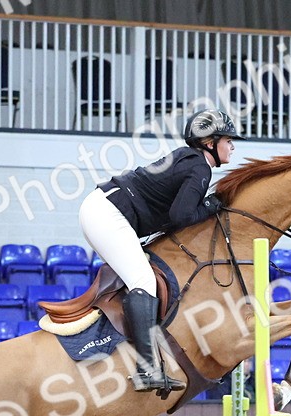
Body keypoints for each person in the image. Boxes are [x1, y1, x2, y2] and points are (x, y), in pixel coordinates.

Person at [78, 109, 244, 393]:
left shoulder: (190, 160)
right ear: (209, 143)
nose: (233, 146)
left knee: (143, 277)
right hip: (108, 214)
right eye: (228, 140)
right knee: (143, 281)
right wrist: (210, 206)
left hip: (106, 209)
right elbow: (180, 216)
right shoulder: (199, 166)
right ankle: (146, 369)